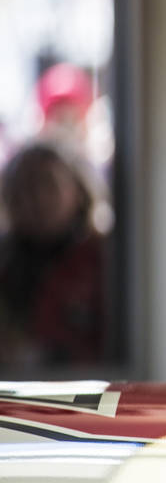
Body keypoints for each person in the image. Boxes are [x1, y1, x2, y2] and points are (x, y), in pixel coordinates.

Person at [0, 140, 106, 367]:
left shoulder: (104, 259)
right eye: (24, 188)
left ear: (77, 191)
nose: (36, 199)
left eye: (48, 184)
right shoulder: (5, 264)